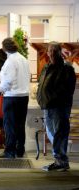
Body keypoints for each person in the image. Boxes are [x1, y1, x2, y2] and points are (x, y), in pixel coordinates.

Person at [37, 42, 76, 171]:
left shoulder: (66, 69)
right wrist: (40, 97)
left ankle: (61, 161)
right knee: (53, 134)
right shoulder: (46, 67)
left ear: (59, 52)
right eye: (50, 50)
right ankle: (60, 161)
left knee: (59, 134)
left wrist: (52, 99)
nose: (52, 53)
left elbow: (67, 90)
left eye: (54, 50)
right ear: (47, 52)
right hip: (47, 106)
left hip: (58, 107)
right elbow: (41, 85)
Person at [0, 37, 30, 158]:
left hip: (12, 96)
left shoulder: (10, 61)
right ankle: (20, 150)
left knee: (9, 125)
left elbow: (8, 81)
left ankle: (9, 151)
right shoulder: (24, 59)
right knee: (20, 124)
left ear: (4, 48)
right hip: (24, 96)